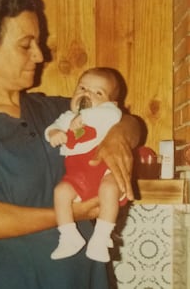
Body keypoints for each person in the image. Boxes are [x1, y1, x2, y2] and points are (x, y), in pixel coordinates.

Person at [0, 0, 141, 289]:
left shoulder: (52, 110)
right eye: (25, 44)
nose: (39, 54)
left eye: (39, 43)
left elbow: (130, 122)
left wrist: (120, 135)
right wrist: (69, 214)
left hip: (85, 278)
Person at [46, 67, 127, 262]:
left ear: (111, 102)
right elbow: (53, 126)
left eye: (98, 92)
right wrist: (54, 134)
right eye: (82, 88)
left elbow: (114, 116)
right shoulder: (67, 117)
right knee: (61, 192)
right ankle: (68, 236)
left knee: (109, 188)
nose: (87, 94)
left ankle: (101, 237)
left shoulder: (107, 113)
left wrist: (86, 117)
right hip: (77, 176)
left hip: (103, 171)